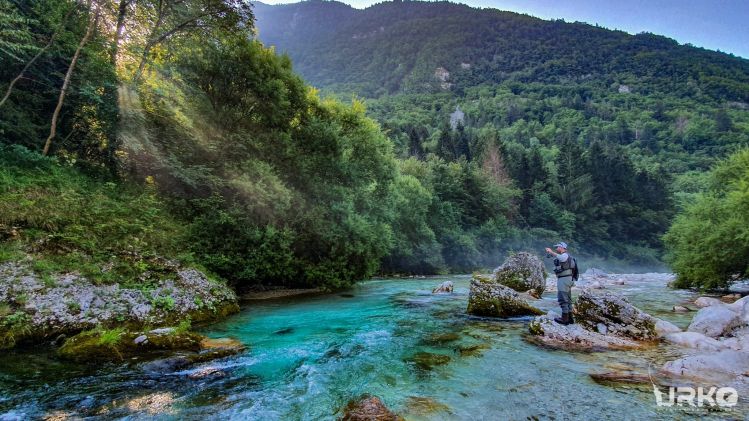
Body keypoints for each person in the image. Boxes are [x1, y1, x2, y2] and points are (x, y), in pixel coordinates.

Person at [545, 242, 575, 325]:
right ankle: (570, 319)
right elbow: (549, 257)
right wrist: (549, 253)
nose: (556, 248)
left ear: (562, 247)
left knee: (563, 298)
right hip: (567, 279)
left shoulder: (565, 255)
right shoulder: (563, 256)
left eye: (557, 247)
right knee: (568, 299)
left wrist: (551, 252)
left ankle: (564, 319)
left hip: (564, 279)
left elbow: (561, 258)